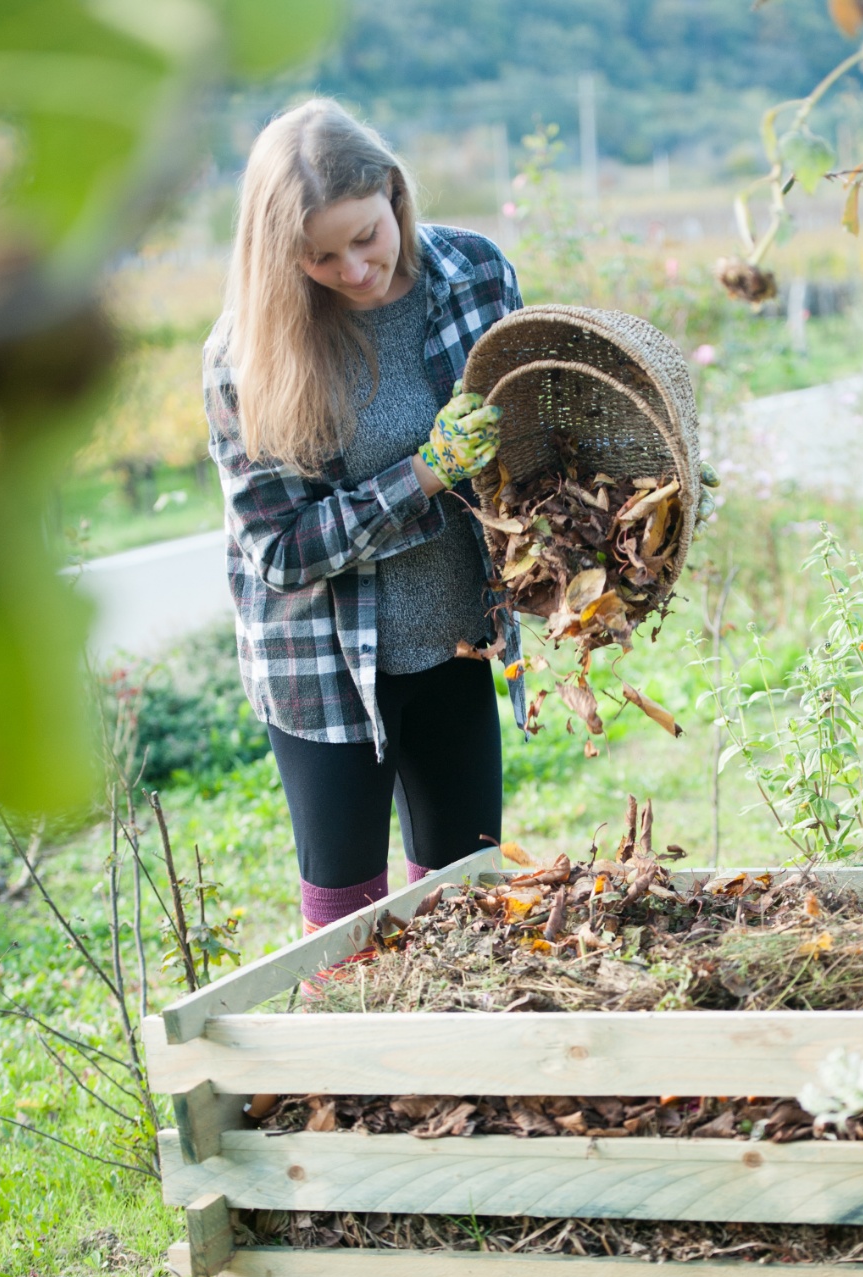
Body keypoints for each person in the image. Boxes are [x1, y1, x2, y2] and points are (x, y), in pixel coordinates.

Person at [203, 97, 526, 936]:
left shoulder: (477, 275)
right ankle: (353, 1070)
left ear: (394, 192)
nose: (353, 270)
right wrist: (420, 476)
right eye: (320, 257)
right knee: (347, 926)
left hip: (455, 640)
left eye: (366, 237)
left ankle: (457, 1068)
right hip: (321, 667)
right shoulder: (248, 355)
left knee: (468, 901)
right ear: (281, 255)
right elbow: (280, 549)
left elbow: (531, 429)